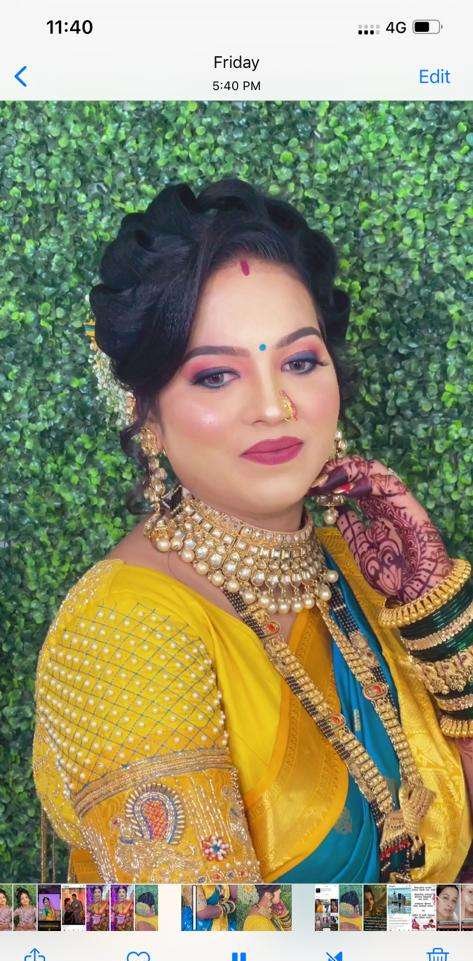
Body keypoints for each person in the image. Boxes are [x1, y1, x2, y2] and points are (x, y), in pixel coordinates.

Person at [32, 177, 473, 885]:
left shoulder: (357, 574)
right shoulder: (121, 630)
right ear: (145, 413)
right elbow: (198, 938)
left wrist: (439, 623)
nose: (274, 407)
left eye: (298, 362)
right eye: (215, 376)